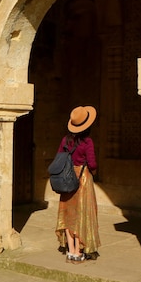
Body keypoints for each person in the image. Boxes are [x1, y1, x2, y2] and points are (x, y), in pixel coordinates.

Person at [55, 105, 101, 264]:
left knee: (68, 214)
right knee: (81, 214)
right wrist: (93, 172)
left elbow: (59, 158)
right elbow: (93, 163)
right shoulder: (87, 142)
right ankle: (79, 250)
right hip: (82, 178)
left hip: (66, 178)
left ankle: (71, 251)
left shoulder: (65, 140)